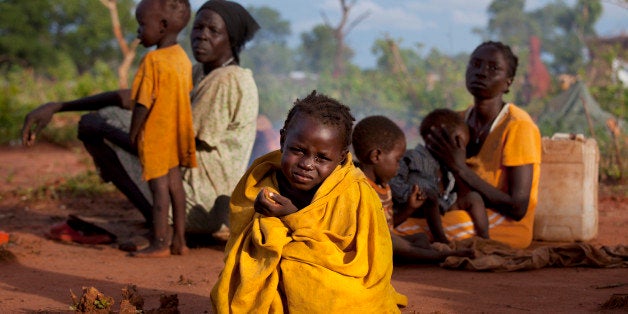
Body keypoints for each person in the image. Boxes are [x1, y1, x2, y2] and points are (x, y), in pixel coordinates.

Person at [21, 0, 260, 249]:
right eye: (198, 28)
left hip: (201, 199)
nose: (202, 36)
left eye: (213, 30)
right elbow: (130, 98)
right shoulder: (200, 71)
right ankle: (170, 230)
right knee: (106, 117)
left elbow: (176, 143)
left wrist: (106, 131)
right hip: (196, 192)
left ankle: (161, 228)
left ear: (231, 39)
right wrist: (59, 106)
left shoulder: (227, 80)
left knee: (102, 123)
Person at [211, 91, 407, 312]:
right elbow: (242, 240)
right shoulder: (261, 178)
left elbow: (369, 262)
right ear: (283, 139)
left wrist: (291, 216)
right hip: (277, 285)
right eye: (298, 150)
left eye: (321, 158)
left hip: (334, 281)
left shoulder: (355, 192)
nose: (307, 164)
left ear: (342, 156)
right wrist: (264, 220)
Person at [395, 41, 542, 249]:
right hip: (458, 210)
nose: (481, 73)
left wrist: (459, 168)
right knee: (393, 220)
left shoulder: (518, 126)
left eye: (494, 68)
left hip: (504, 224)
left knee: (396, 230)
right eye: (476, 64)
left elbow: (518, 208)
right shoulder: (457, 121)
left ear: (508, 82)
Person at [352, 115, 473, 263]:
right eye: (397, 160)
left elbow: (388, 225)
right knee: (392, 242)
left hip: (385, 240)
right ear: (376, 156)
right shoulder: (359, 188)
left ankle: (422, 253)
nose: (398, 168)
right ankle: (437, 256)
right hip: (368, 247)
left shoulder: (384, 186)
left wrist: (409, 208)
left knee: (420, 238)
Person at [127, 0, 195, 257]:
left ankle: (160, 242)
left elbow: (143, 103)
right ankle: (180, 241)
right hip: (177, 134)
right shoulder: (182, 59)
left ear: (163, 26)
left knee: (159, 193)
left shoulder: (152, 61)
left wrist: (133, 133)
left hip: (156, 135)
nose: (138, 32)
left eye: (142, 25)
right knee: (176, 189)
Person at [391, 109, 489, 244]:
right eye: (458, 142)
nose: (461, 149)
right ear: (434, 137)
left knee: (474, 197)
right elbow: (394, 179)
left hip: (442, 205)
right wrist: (410, 195)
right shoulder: (413, 156)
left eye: (462, 146)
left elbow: (461, 191)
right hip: (414, 205)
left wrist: (457, 165)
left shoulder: (449, 167)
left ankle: (485, 240)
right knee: (429, 194)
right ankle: (441, 240)